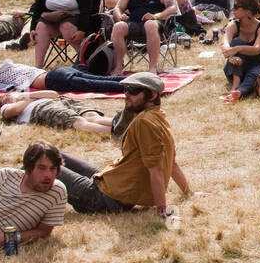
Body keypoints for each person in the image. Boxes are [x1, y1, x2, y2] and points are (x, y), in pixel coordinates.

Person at [56, 72, 190, 218]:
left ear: (152, 96)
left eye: (133, 91)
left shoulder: (144, 122)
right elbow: (172, 162)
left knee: (41, 160)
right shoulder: (158, 117)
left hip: (106, 199)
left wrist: (161, 209)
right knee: (53, 154)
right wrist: (188, 192)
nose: (126, 94)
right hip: (112, 184)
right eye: (126, 89)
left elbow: (156, 168)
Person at [110, 0, 178, 75]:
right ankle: (118, 67)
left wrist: (156, 16)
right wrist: (120, 16)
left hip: (158, 26)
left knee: (150, 24)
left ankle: (152, 67)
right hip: (134, 23)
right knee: (118, 26)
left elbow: (173, 8)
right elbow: (118, 8)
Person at [0, 57, 130, 95]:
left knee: (97, 86)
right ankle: (137, 80)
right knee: (100, 80)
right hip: (56, 72)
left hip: (52, 81)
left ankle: (133, 87)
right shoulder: (13, 66)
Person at [220, 0, 260, 102]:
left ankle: (239, 92)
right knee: (237, 41)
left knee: (254, 75)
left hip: (256, 64)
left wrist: (237, 49)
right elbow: (225, 43)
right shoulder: (233, 25)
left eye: (237, 7)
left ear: (247, 11)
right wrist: (231, 54)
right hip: (234, 69)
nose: (233, 9)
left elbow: (257, 49)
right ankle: (235, 84)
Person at [0, 93, 120, 134]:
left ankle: (123, 123)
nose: (10, 94)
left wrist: (30, 95)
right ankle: (117, 132)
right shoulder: (6, 107)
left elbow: (53, 94)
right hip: (42, 109)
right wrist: (25, 99)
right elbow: (13, 112)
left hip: (59, 100)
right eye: (7, 96)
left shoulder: (28, 95)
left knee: (92, 116)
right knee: (78, 122)